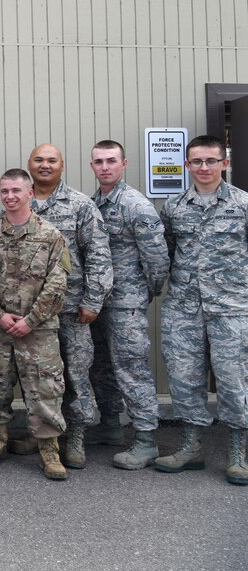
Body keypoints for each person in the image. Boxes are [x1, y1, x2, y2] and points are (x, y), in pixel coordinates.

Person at [157, 135, 248, 485]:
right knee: (184, 378)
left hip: (231, 309)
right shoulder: (175, 206)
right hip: (184, 309)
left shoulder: (241, 204)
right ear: (187, 165)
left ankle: (238, 454)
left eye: (211, 161)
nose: (204, 167)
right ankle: (190, 447)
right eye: (197, 161)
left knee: (233, 380)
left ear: (224, 163)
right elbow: (165, 253)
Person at [18, 143, 111, 468]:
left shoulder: (80, 205)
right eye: (39, 159)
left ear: (63, 165)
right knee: (39, 375)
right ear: (29, 164)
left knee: (76, 374)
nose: (45, 165)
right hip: (32, 314)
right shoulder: (19, 201)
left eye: (51, 160)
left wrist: (93, 300)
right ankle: (43, 434)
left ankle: (76, 438)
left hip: (72, 310)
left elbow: (98, 254)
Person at [0, 168, 70, 480]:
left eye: (16, 191)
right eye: (5, 191)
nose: (10, 197)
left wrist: (30, 320)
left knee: (44, 387)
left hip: (38, 329)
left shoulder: (50, 236)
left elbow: (57, 284)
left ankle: (49, 448)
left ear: (31, 193)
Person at [87, 140, 169, 470]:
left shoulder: (135, 205)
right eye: (98, 162)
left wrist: (147, 291)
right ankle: (109, 426)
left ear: (125, 164)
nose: (104, 167)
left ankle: (146, 440)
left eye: (111, 161)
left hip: (126, 303)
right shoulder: (95, 202)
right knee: (102, 367)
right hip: (97, 301)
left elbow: (157, 258)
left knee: (131, 369)